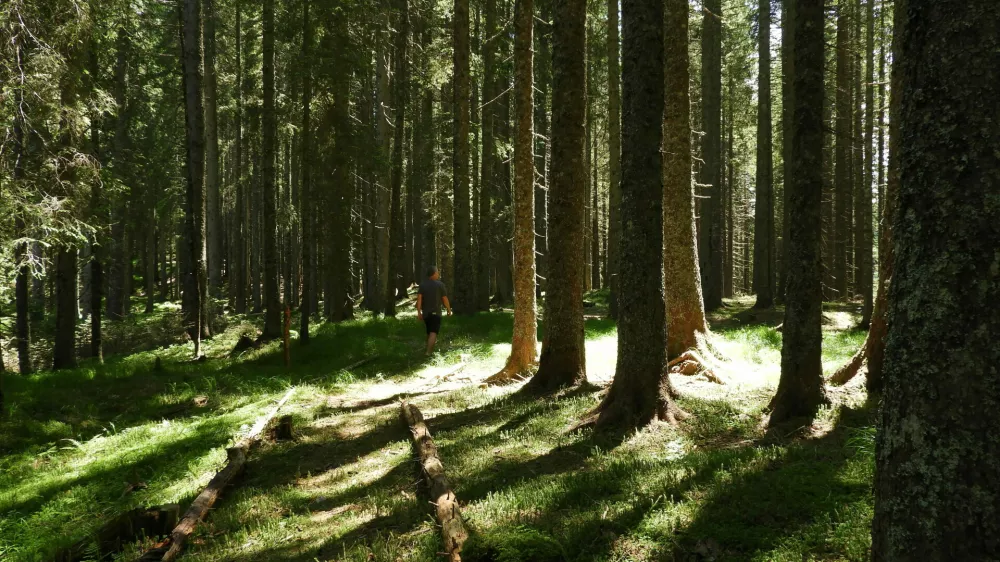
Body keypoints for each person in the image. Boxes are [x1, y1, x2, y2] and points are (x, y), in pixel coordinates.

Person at [417, 266, 452, 355]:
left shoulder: (422, 285)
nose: (438, 274)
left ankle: (428, 349)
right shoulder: (440, 285)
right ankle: (428, 352)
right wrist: (448, 309)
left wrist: (419, 312)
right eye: (437, 272)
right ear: (434, 273)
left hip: (426, 313)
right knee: (433, 333)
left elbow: (419, 299)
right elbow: (444, 299)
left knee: (429, 332)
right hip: (436, 313)